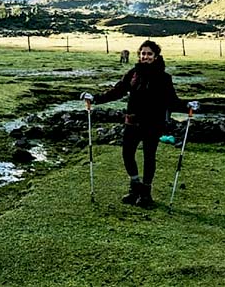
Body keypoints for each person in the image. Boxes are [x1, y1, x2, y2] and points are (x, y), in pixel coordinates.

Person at [80, 40, 198, 208]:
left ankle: (146, 194)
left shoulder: (164, 78)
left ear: (156, 56)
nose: (145, 56)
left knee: (149, 157)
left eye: (149, 54)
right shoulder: (133, 73)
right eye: (143, 53)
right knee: (127, 154)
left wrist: (187, 106)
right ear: (139, 55)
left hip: (153, 124)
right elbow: (118, 91)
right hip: (132, 122)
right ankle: (135, 187)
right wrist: (96, 98)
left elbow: (172, 100)